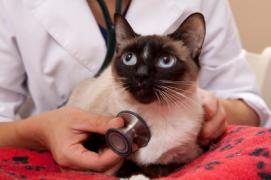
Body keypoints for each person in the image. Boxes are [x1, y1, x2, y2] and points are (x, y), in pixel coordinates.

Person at [0, 0, 270, 175]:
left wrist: (217, 110)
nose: (143, 74)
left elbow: (250, 107)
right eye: (128, 57)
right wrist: (41, 130)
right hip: (57, 156)